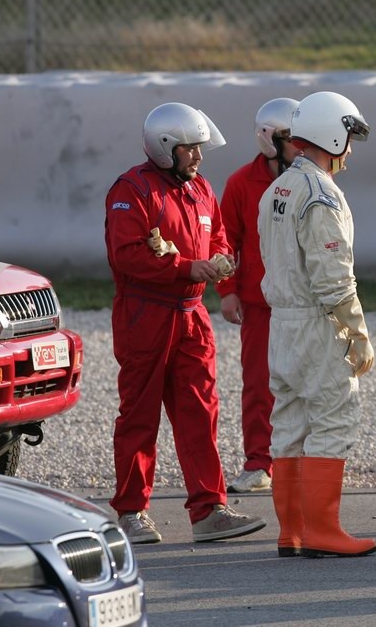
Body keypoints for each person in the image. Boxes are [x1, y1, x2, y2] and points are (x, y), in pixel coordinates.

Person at [104, 102, 266, 544]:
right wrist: (186, 268)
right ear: (164, 148)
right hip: (145, 313)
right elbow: (127, 255)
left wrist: (221, 261)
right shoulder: (132, 191)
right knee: (139, 415)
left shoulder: (201, 190)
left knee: (201, 414)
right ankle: (132, 513)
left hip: (192, 315)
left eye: (199, 148)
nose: (197, 156)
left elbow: (217, 237)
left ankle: (209, 510)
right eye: (190, 149)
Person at [258, 91, 376, 558]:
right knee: (333, 416)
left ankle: (293, 532)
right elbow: (334, 277)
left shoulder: (277, 189)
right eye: (348, 139)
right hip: (317, 322)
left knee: (289, 423)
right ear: (332, 134)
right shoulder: (321, 194)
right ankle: (324, 532)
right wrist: (358, 333)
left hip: (281, 325)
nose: (349, 151)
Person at [217, 98, 300, 494]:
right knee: (258, 385)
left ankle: (305, 460)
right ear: (271, 139)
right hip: (259, 304)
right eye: (292, 138)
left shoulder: (312, 179)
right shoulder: (239, 183)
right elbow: (223, 241)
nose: (301, 146)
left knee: (309, 382)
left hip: (305, 303)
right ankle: (258, 462)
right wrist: (227, 291)